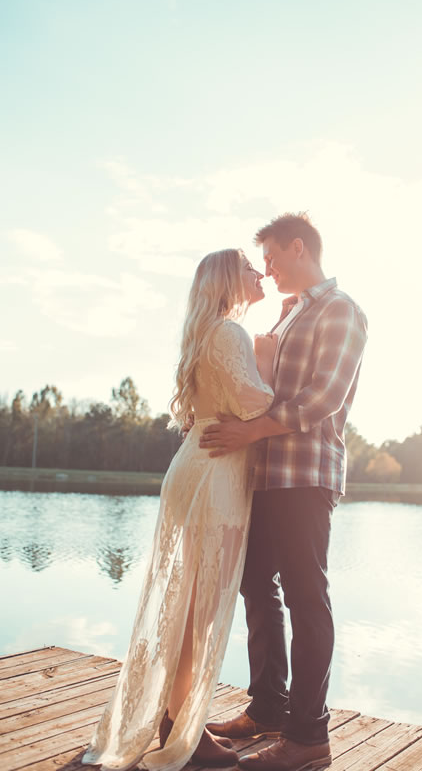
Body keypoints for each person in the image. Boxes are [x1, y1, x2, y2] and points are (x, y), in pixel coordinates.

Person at [82, 249, 276, 771]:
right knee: (199, 614)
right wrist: (271, 361)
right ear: (230, 281)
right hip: (214, 479)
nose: (261, 274)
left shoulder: (207, 332)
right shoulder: (231, 333)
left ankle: (176, 721)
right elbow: (256, 407)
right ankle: (179, 733)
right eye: (251, 269)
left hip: (198, 471)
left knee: (190, 607)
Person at [201, 213, 368, 771]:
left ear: (299, 247)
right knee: (254, 583)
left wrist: (250, 430)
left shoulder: (341, 310)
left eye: (271, 256)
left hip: (306, 474)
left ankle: (307, 738)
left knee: (306, 598)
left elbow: (324, 398)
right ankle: (269, 707)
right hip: (268, 475)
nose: (266, 269)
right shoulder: (289, 313)